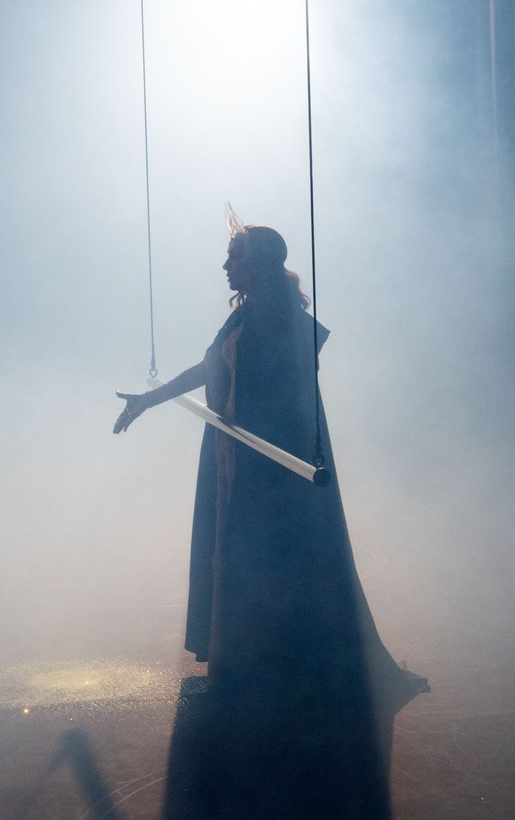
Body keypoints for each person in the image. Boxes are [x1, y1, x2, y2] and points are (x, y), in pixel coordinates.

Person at [114, 220, 426, 819]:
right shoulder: (245, 315)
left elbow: (290, 402)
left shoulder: (284, 321)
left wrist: (268, 459)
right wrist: (151, 400)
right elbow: (212, 369)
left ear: (258, 263)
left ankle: (279, 678)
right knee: (232, 562)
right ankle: (246, 669)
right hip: (234, 458)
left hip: (270, 475)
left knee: (267, 569)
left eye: (234, 256)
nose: (225, 266)